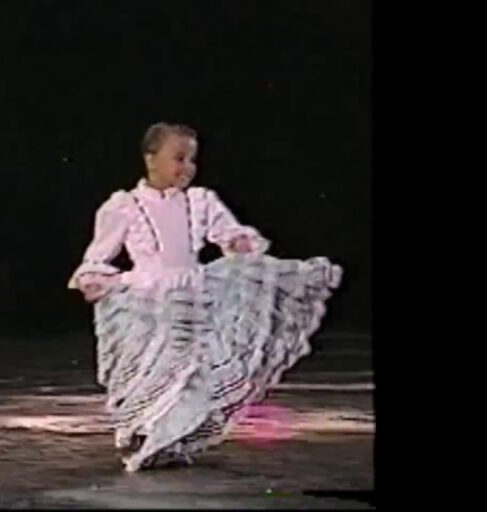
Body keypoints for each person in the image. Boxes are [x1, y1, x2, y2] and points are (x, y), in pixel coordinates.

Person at [68, 122, 341, 472]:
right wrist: (94, 277)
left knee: (194, 369)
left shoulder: (200, 201)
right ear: (151, 160)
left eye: (192, 160)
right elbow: (99, 254)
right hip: (150, 299)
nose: (187, 167)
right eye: (178, 158)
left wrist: (237, 242)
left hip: (195, 293)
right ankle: (146, 429)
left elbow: (226, 232)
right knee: (156, 367)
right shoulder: (125, 205)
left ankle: (171, 436)